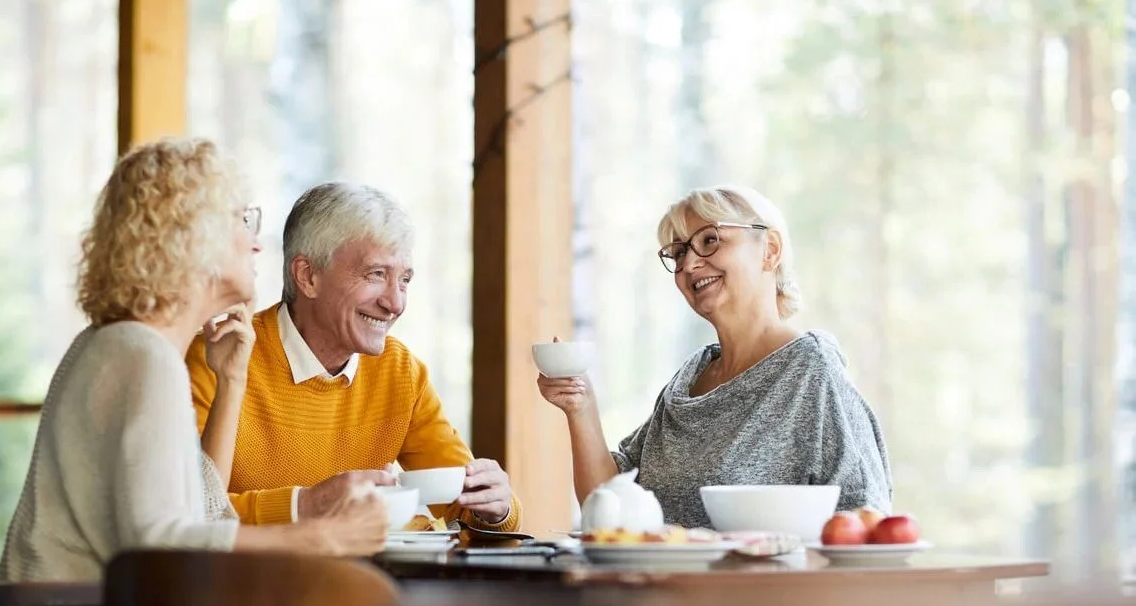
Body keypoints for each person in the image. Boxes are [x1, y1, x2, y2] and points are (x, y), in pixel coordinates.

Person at [0, 139, 391, 606]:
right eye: (243, 220)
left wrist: (230, 379)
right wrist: (322, 538)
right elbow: (160, 549)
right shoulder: (138, 356)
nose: (257, 243)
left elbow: (200, 514)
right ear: (194, 237)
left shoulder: (126, 347)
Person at [538, 184, 892, 528]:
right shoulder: (690, 377)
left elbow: (864, 521)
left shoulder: (812, 370)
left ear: (769, 249)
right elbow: (610, 505)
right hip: (657, 588)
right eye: (678, 253)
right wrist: (580, 406)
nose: (689, 264)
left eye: (710, 241)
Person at [185, 181, 521, 530]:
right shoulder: (217, 358)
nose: (395, 303)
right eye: (376, 275)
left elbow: (464, 505)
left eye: (404, 280)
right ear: (308, 276)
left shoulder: (401, 371)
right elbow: (188, 515)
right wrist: (307, 505)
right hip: (249, 582)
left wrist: (494, 508)